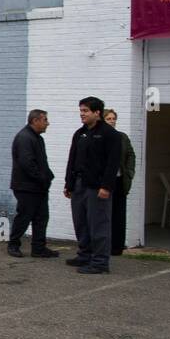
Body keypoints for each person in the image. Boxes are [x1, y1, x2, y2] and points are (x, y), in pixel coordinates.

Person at [63, 96, 121, 274]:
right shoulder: (80, 133)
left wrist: (106, 187)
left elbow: (113, 163)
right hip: (79, 184)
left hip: (97, 187)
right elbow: (72, 159)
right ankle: (84, 255)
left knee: (98, 224)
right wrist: (69, 183)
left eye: (85, 111)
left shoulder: (110, 134)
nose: (82, 114)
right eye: (81, 111)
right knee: (81, 222)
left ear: (97, 113)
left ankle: (100, 262)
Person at [8, 109, 58, 258]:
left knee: (41, 217)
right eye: (45, 120)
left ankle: (38, 248)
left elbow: (41, 161)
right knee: (24, 216)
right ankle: (13, 244)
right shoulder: (25, 138)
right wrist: (42, 178)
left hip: (38, 187)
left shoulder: (37, 138)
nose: (47, 123)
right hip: (26, 187)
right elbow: (27, 163)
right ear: (35, 121)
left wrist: (48, 176)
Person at [103, 109, 135, 256]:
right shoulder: (100, 137)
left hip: (119, 180)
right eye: (109, 119)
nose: (112, 121)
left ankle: (117, 247)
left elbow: (130, 155)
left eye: (113, 118)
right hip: (104, 182)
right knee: (104, 215)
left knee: (119, 214)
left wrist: (128, 173)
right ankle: (104, 245)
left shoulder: (122, 137)